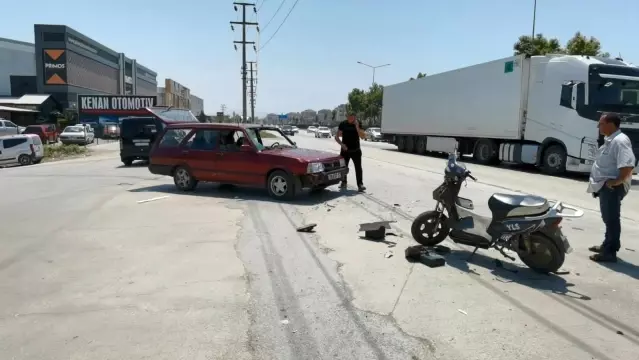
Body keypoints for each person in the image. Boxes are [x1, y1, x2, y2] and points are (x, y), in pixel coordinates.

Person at [587, 113, 636, 263]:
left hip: (612, 188)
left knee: (611, 218)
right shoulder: (611, 140)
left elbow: (628, 165)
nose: (598, 126)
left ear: (611, 124)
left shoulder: (620, 141)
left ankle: (609, 252)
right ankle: (608, 244)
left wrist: (615, 182)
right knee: (608, 218)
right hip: (606, 187)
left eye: (601, 123)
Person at [335, 115, 366, 192]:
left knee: (358, 168)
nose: (351, 118)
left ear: (355, 117)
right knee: (343, 167)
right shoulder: (343, 124)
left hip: (356, 150)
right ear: (347, 116)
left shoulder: (358, 123)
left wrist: (357, 127)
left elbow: (362, 137)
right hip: (345, 150)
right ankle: (344, 182)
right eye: (349, 116)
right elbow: (337, 137)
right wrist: (342, 145)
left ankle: (360, 184)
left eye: (353, 117)